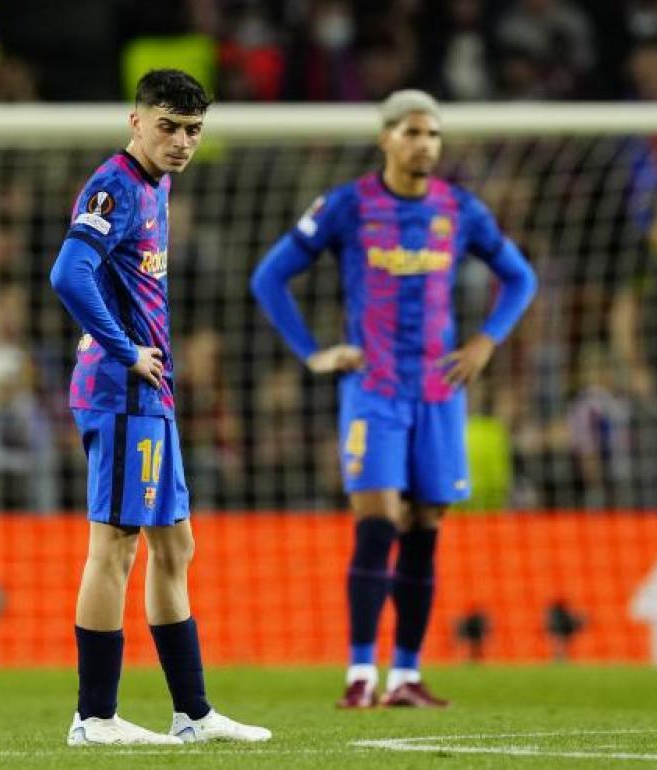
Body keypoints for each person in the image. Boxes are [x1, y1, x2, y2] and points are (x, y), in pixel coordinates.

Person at [251, 89, 537, 708]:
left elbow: (521, 277)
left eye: (433, 134)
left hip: (438, 390)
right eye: (412, 132)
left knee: (425, 528)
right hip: (373, 389)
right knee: (378, 522)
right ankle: (361, 673)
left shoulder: (459, 209)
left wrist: (486, 341)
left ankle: (406, 675)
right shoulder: (348, 206)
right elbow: (269, 277)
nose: (424, 144)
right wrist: (312, 352)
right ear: (385, 138)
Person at [49, 69, 270, 745]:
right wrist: (124, 351)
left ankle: (193, 714)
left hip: (151, 393)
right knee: (114, 547)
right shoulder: (114, 186)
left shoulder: (157, 185)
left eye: (193, 130)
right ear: (136, 121)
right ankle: (95, 717)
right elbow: (68, 273)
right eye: (168, 126)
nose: (181, 141)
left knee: (176, 545)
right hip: (121, 391)